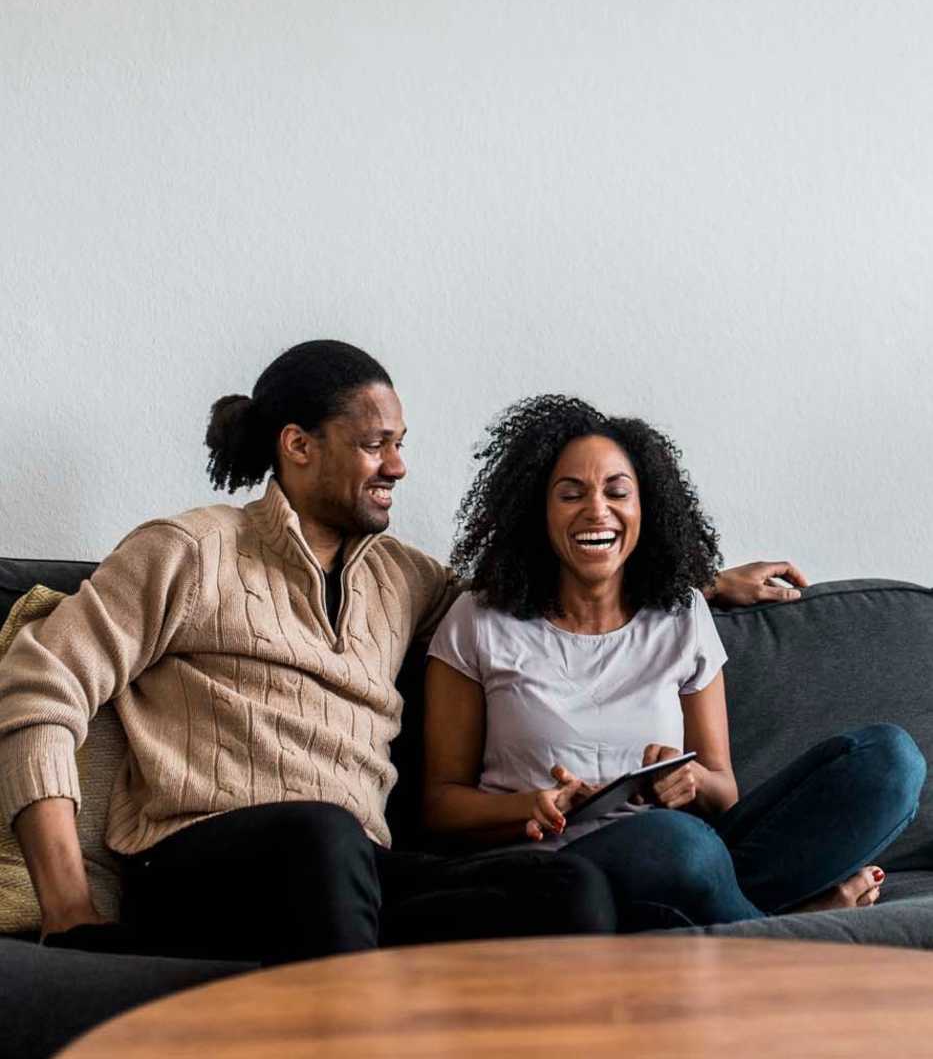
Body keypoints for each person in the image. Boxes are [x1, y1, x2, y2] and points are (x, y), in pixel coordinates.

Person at [0, 343, 804, 961]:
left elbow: (531, 587)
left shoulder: (402, 580)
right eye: (376, 444)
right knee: (322, 835)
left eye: (401, 443)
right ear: (298, 446)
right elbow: (38, 689)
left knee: (567, 888)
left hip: (358, 873)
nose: (399, 466)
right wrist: (70, 909)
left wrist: (696, 577)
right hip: (199, 867)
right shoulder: (186, 552)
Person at [423, 395, 926, 931]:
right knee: (675, 843)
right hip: (563, 872)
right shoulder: (479, 620)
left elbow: (722, 787)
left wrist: (689, 782)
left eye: (618, 492)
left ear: (647, 508)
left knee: (890, 761)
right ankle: (789, 936)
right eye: (571, 494)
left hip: (691, 854)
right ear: (537, 511)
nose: (597, 510)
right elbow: (438, 805)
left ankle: (739, 921)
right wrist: (534, 805)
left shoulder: (681, 613)